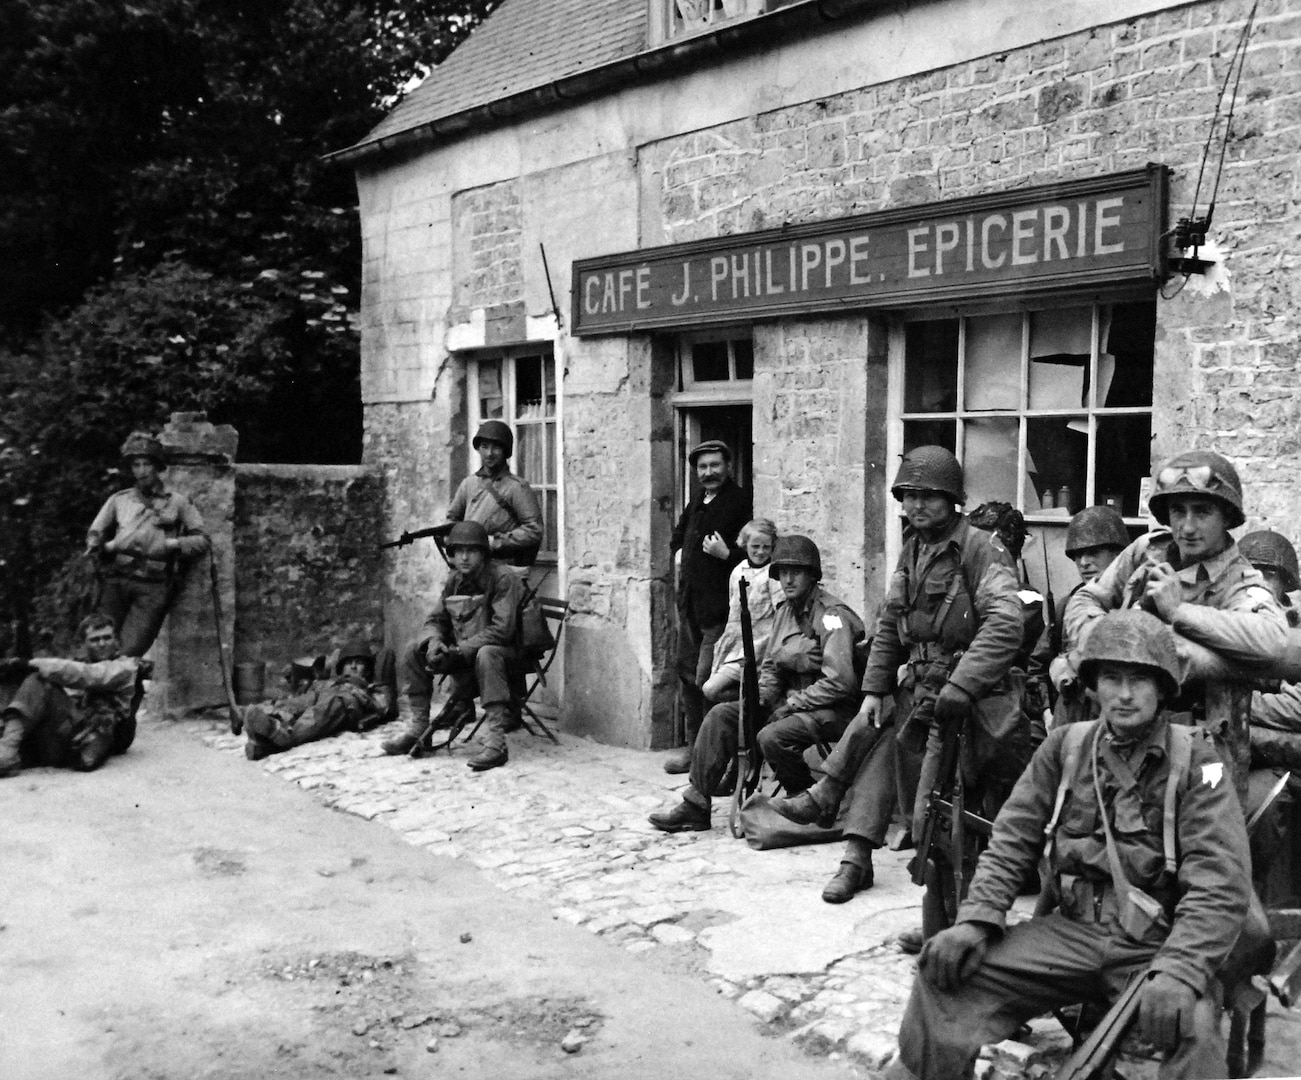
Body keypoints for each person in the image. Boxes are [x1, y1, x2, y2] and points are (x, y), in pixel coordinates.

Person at [883, 609, 1251, 1080]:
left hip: (1156, 945)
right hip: (1071, 931)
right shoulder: (1064, 747)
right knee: (945, 976)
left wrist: (1181, 967)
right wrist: (976, 920)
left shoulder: (1197, 759)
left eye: (1139, 680)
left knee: (1193, 1028)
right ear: (1093, 685)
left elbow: (1219, 884)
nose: (1123, 693)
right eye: (1111, 678)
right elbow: (1012, 840)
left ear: (1162, 688)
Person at [765, 475, 1024, 907]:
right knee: (878, 724)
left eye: (928, 496)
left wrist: (962, 684)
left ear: (953, 500)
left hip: (970, 692)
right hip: (920, 684)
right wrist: (876, 687)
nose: (916, 505)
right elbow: (890, 623)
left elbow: (1005, 623)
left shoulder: (982, 548)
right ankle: (854, 853)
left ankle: (923, 893)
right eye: (909, 497)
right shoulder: (913, 549)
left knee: (927, 800)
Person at [1061, 450, 1288, 805]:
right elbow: (1087, 599)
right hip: (1119, 729)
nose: (1187, 526)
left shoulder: (1241, 582)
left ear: (1226, 516)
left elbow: (1272, 640)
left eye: (1202, 512)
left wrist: (1178, 610)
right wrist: (1104, 642)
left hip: (1201, 746)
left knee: (1204, 840)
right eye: (1178, 511)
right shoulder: (1146, 551)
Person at [648, 534, 863, 833]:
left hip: (831, 710)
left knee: (772, 736)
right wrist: (761, 697)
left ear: (812, 575)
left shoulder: (832, 617)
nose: (788, 580)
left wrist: (791, 704)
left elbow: (840, 682)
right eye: (783, 573)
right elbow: (773, 665)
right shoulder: (785, 612)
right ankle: (696, 803)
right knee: (722, 715)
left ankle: (808, 801)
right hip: (790, 705)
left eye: (796, 572)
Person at [381, 521, 523, 770]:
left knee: (487, 654)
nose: (464, 557)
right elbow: (436, 619)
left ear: (483, 553)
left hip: (507, 654)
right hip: (466, 651)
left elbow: (502, 630)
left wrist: (460, 650)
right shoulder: (454, 580)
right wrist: (435, 643)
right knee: (413, 649)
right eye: (458, 551)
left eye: (471, 551)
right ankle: (419, 729)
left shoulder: (503, 578)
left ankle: (497, 744)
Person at [665, 439, 752, 774]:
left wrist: (727, 555)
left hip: (719, 610)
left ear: (728, 466)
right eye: (702, 467)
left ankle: (715, 758)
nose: (709, 473)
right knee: (687, 675)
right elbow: (678, 536)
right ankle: (693, 750)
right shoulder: (698, 500)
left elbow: (758, 554)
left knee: (708, 680)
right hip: (690, 606)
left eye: (715, 465)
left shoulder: (741, 501)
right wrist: (679, 555)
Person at [85, 431, 209, 656]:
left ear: (157, 467)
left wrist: (171, 544)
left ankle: (125, 688)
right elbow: (94, 536)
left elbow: (201, 540)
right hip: (116, 582)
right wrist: (109, 546)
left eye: (147, 464)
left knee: (130, 651)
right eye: (136, 465)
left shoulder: (177, 502)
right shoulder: (119, 500)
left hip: (152, 587)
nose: (141, 471)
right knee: (101, 647)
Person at [0, 614, 149, 777]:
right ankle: (7, 751)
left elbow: (88, 674)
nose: (102, 644)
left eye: (107, 638)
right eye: (95, 639)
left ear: (116, 641)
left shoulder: (126, 668)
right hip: (68, 741)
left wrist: (31, 664)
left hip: (86, 743)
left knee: (38, 682)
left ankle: (7, 751)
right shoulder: (82, 665)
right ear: (84, 644)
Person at [241, 641, 393, 761]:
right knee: (296, 703)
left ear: (366, 669)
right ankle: (267, 732)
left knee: (322, 711)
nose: (353, 666)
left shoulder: (370, 687)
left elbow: (383, 706)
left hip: (347, 702)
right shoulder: (331, 680)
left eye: (358, 662)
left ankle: (283, 735)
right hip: (326, 690)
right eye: (348, 662)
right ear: (341, 667)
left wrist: (362, 693)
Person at [1049, 505, 1131, 726]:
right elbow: (1039, 662)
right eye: (1078, 555)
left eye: (1093, 553)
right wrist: (1047, 709)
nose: (1084, 562)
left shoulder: (1137, 602)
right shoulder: (1067, 605)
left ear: (1118, 554)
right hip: (1071, 716)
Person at [701, 518, 784, 703]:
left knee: (713, 689)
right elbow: (733, 609)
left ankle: (750, 703)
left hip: (761, 648)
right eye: (755, 546)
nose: (760, 552)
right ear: (745, 545)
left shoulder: (773, 574)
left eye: (766, 547)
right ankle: (745, 702)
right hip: (736, 646)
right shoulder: (738, 571)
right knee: (708, 687)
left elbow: (781, 613)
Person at [446, 419, 543, 566]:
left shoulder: (517, 487)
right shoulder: (469, 484)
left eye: (496, 448)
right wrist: (452, 540)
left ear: (505, 451)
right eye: (485, 447)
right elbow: (452, 520)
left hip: (501, 567)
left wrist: (497, 542)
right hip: (470, 567)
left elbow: (534, 530)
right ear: (478, 449)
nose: (489, 453)